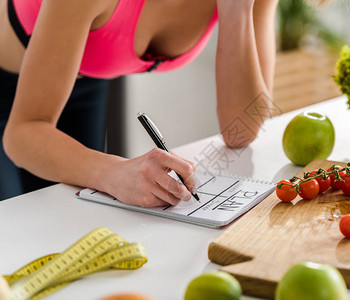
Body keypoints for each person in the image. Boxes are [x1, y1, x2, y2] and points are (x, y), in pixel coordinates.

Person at [0, 0, 278, 205]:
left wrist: (237, 10)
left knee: (71, 221)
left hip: (87, 73)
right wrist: (115, 172)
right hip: (8, 85)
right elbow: (23, 133)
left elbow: (240, 130)